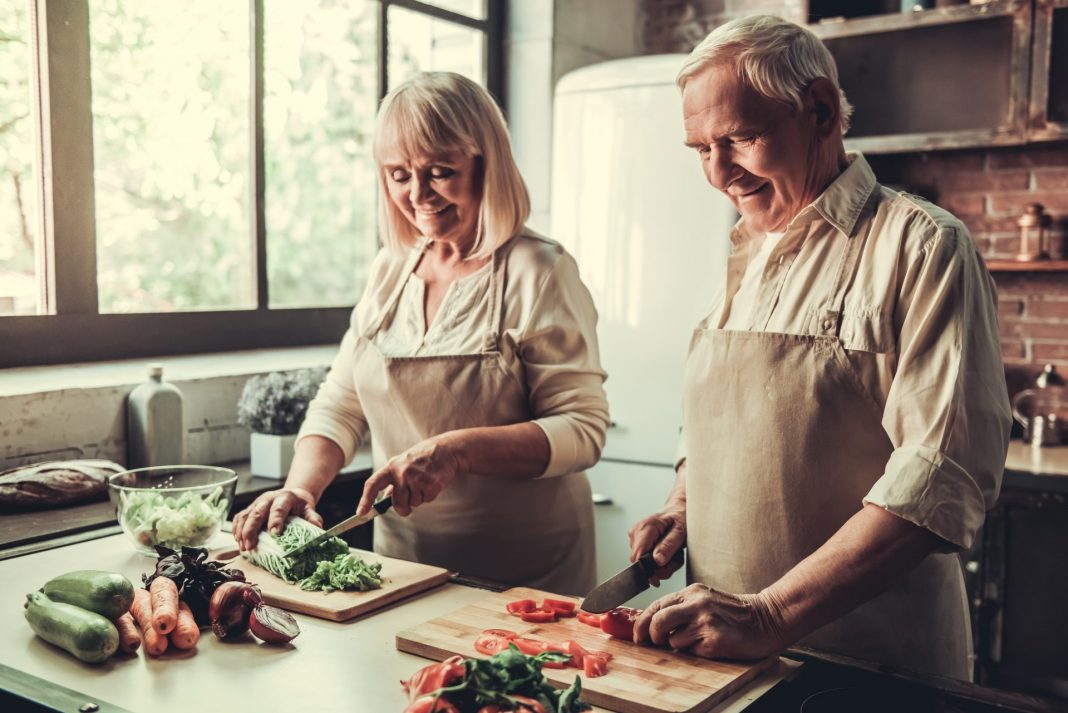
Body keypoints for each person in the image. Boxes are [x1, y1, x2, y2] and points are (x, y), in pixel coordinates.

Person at [627, 15, 1011, 679]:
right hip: (726, 662)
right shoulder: (745, 252)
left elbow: (943, 472)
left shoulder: (922, 247)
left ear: (821, 112)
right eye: (699, 149)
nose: (718, 173)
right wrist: (684, 500)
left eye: (739, 138)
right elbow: (732, 420)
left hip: (871, 665)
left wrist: (771, 613)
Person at [233, 72, 609, 596]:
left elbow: (582, 431)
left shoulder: (539, 270)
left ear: (486, 164)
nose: (418, 194)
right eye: (398, 174)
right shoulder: (390, 270)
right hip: (404, 567)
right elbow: (340, 404)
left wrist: (457, 450)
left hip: (527, 579)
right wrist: (301, 487)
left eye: (439, 171)